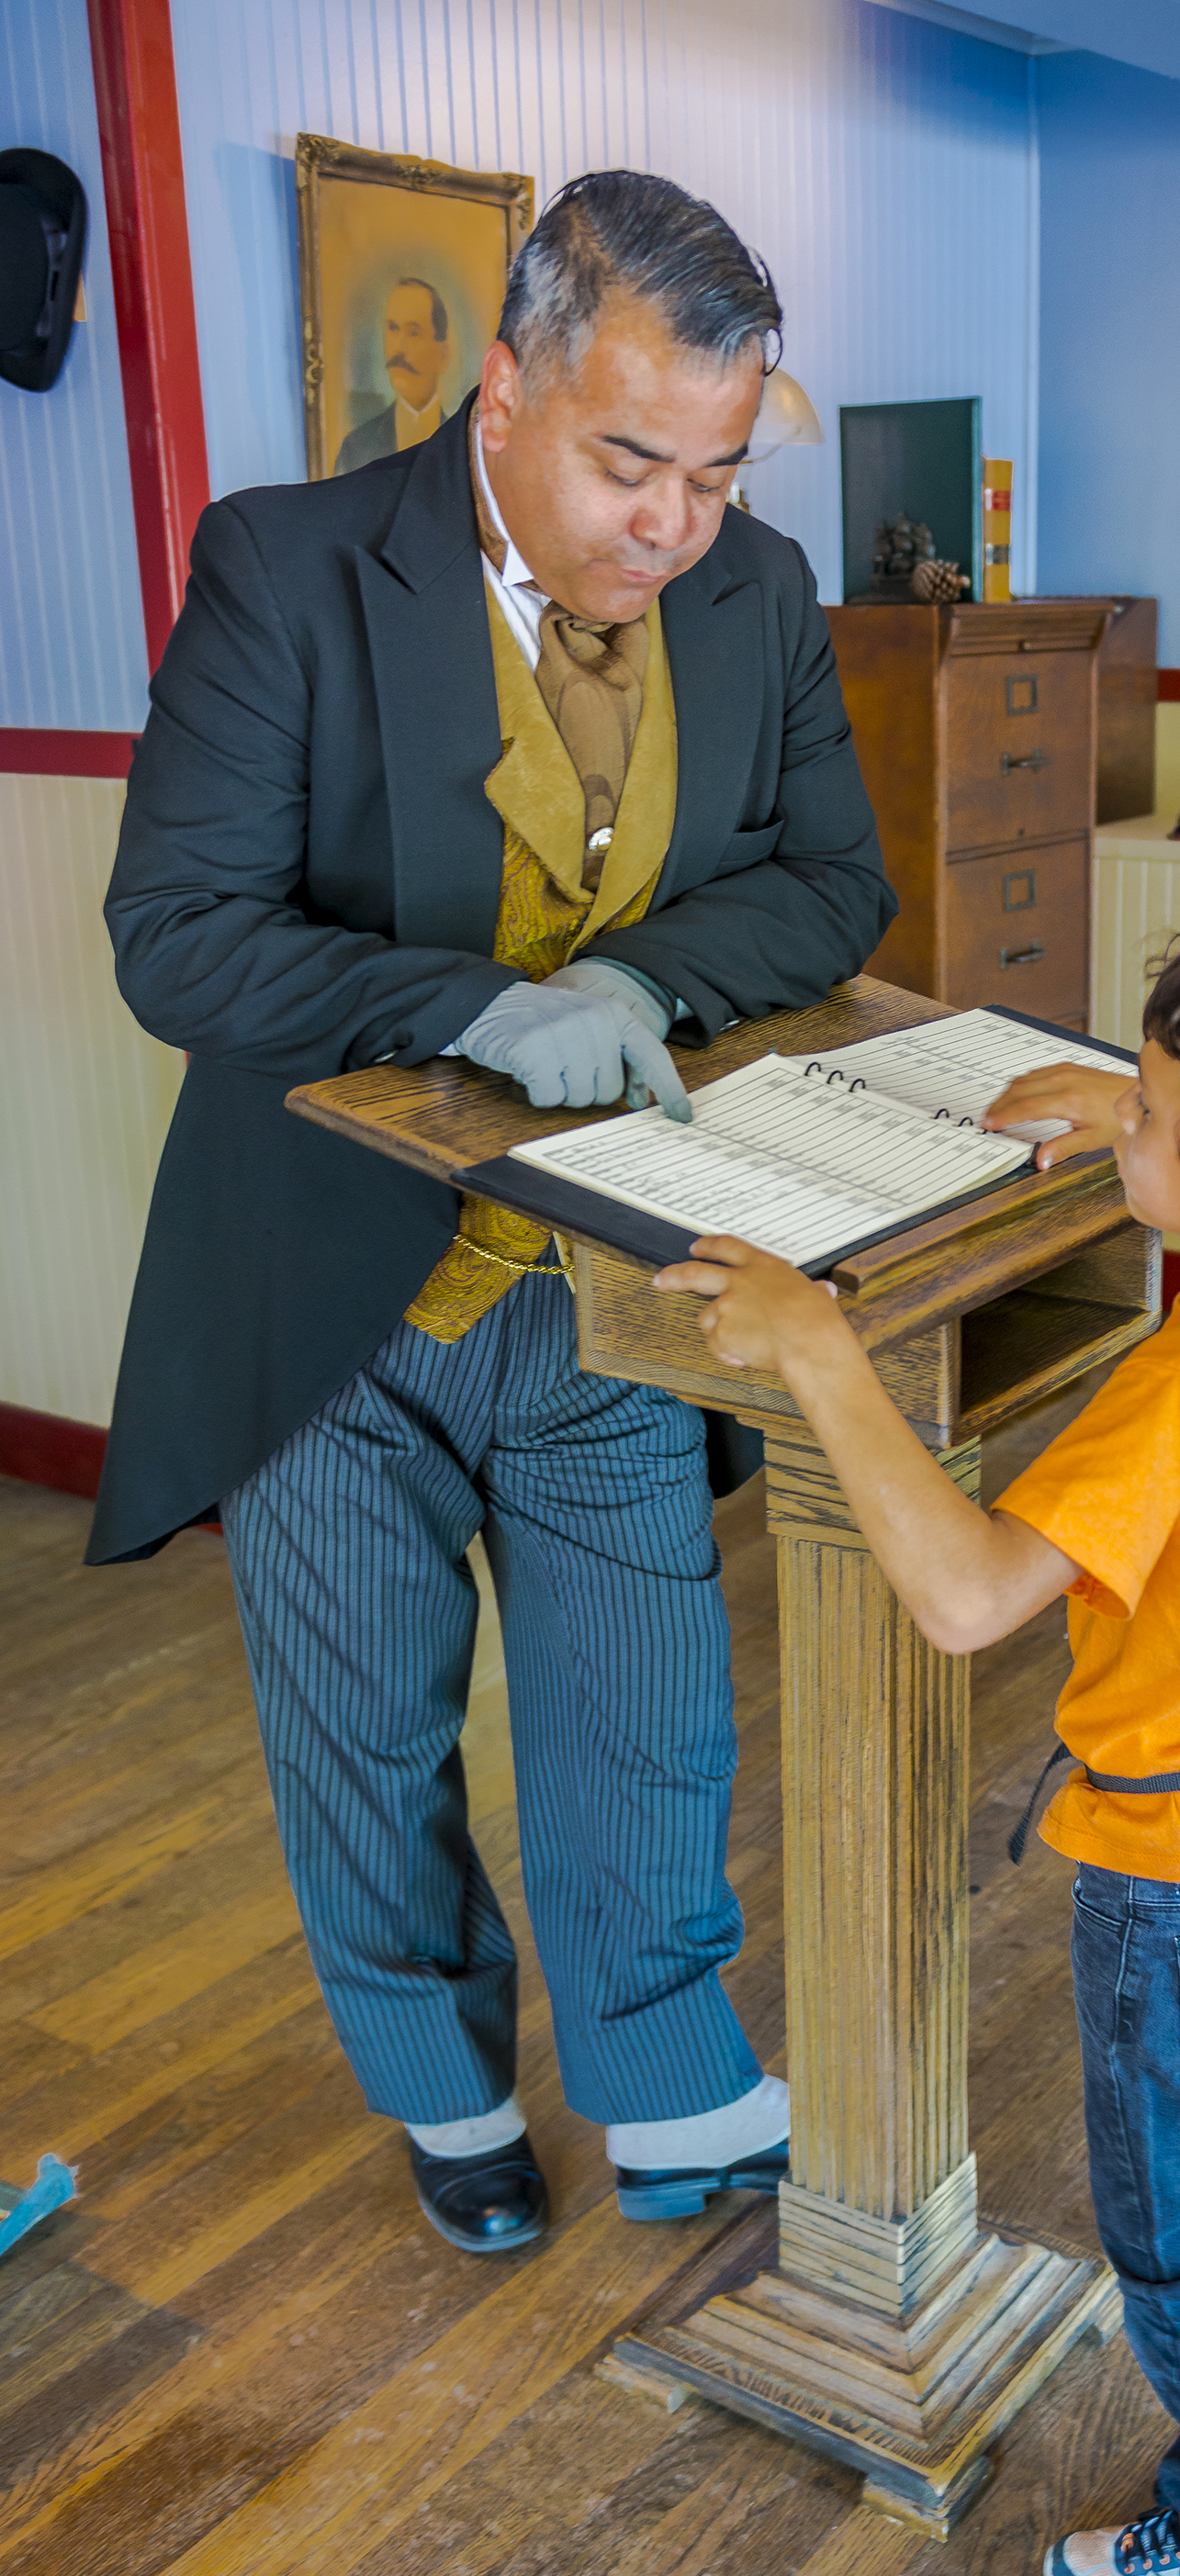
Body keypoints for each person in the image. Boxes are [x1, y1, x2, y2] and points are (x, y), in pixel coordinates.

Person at [89, 171, 895, 2257]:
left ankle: (660, 2086)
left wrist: (639, 983)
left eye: (715, 472)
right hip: (321, 1294)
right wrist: (462, 1003)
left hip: (615, 1277)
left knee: (644, 1718)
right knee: (362, 1735)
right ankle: (440, 2087)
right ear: (503, 389)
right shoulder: (283, 566)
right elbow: (178, 939)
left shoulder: (762, 588)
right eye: (632, 461)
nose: (673, 525)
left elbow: (832, 884)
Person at [656, 916, 1180, 2576]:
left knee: (1176, 2244)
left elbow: (960, 1596)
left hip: (1177, 1876)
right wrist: (1126, 1105)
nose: (1119, 1129)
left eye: (1151, 1116)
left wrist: (815, 1350)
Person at [334, 274, 455, 473]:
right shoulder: (356, 448)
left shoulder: (465, 445)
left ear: (443, 354)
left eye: (413, 332)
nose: (398, 347)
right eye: (393, 329)